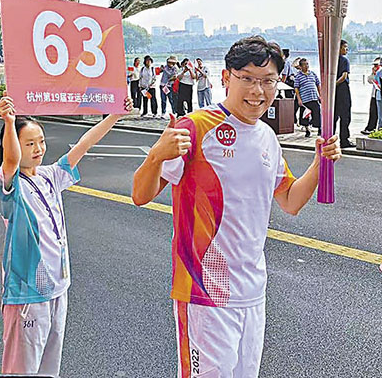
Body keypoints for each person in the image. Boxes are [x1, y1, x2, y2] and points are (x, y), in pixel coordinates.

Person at [131, 36, 341, 378]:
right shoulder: (195, 128)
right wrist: (157, 154)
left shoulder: (267, 138)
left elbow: (289, 200)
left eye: (267, 81)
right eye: (247, 79)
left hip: (253, 292)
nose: (258, 91)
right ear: (226, 77)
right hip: (204, 293)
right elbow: (141, 195)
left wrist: (320, 163)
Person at [0, 94, 130, 375]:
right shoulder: (8, 187)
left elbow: (83, 145)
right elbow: (11, 159)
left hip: (58, 287)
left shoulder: (50, 175)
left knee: (49, 368)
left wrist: (114, 116)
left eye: (40, 141)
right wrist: (9, 122)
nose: (38, 148)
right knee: (23, 370)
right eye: (29, 143)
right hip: (28, 295)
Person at [294, 57, 322, 138]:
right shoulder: (298, 76)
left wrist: (320, 95)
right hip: (304, 99)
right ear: (300, 66)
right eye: (304, 65)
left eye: (307, 64)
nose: (306, 66)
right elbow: (296, 88)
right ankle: (307, 130)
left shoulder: (312, 73)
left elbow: (318, 84)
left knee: (317, 113)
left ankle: (319, 128)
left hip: (314, 97)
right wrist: (299, 99)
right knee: (304, 115)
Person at [334, 40, 353, 148]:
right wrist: (336, 84)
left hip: (333, 92)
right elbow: (344, 76)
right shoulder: (344, 60)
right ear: (339, 48)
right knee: (345, 116)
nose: (346, 49)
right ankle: (344, 140)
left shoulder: (331, 60)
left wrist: (331, 86)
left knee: (334, 116)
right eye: (345, 47)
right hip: (342, 90)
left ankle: (329, 138)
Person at [362, 58, 381, 134]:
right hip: (374, 95)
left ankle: (381, 128)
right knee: (373, 111)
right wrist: (373, 73)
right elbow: (370, 80)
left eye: (376, 65)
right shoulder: (374, 73)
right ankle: (370, 127)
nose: (375, 67)